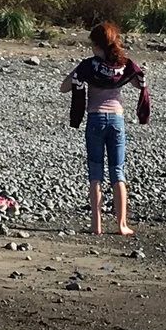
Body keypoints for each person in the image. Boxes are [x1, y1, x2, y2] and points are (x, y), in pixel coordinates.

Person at [60, 22, 150, 235]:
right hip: (117, 119)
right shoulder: (123, 64)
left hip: (95, 118)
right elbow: (139, 83)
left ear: (94, 44)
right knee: (118, 172)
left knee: (95, 174)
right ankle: (121, 224)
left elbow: (64, 87)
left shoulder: (89, 66)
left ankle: (96, 224)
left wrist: (77, 74)